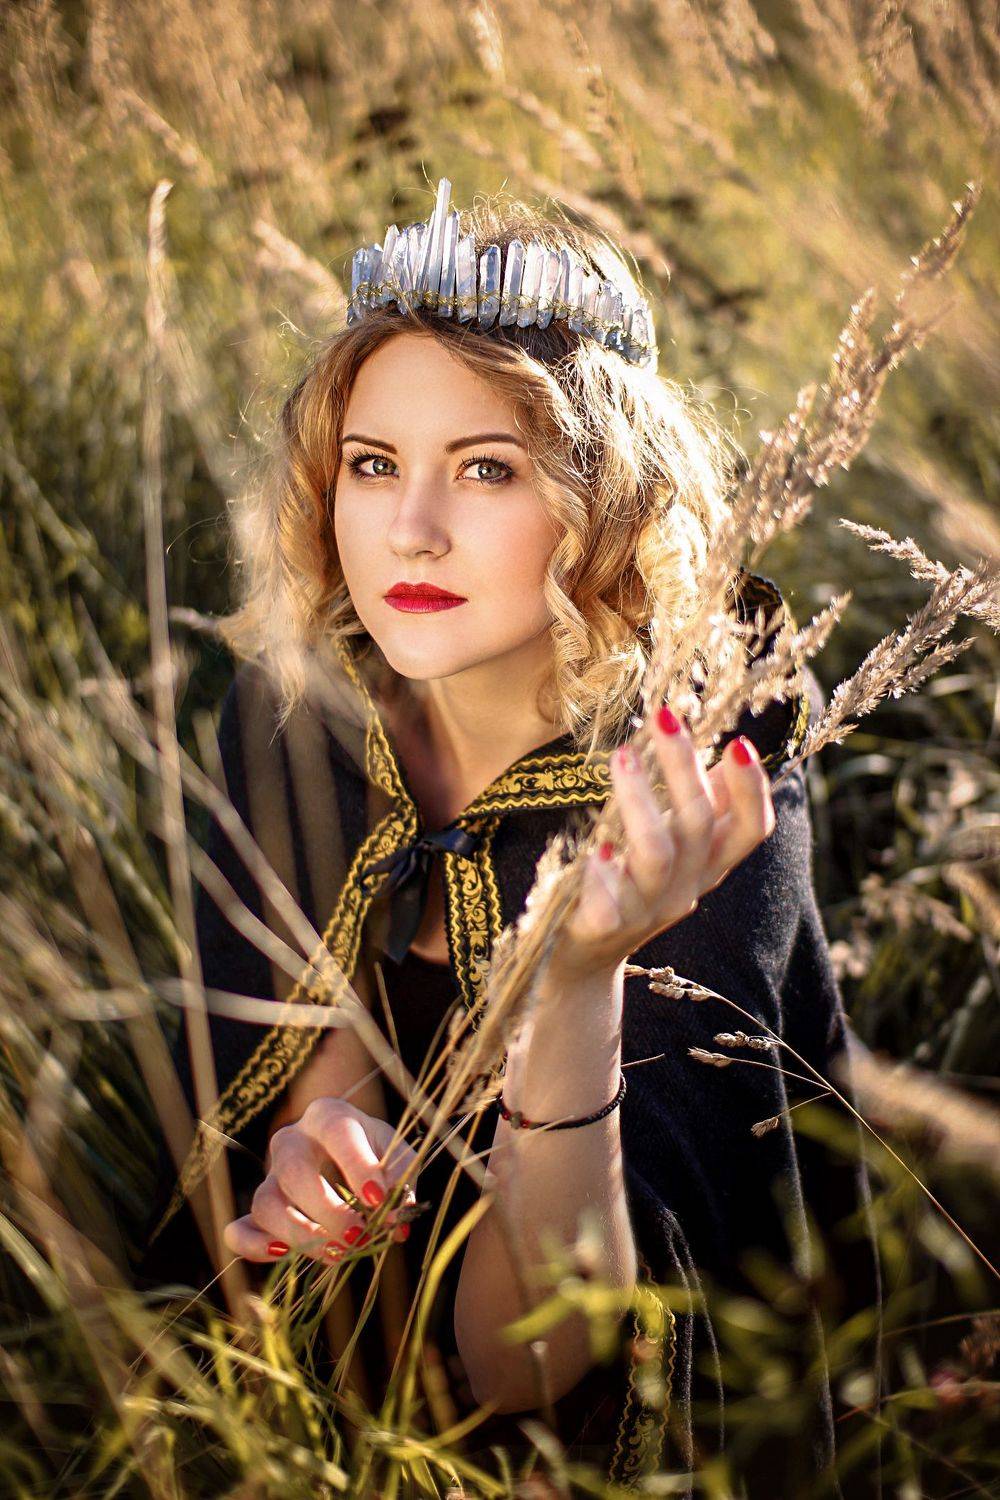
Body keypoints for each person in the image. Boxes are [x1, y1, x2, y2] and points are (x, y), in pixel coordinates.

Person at [138, 178, 880, 1495]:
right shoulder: (301, 709)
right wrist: (322, 1147)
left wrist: (581, 978)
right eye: (374, 464)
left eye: (488, 468)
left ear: (607, 498)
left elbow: (534, 1364)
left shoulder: (705, 745)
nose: (410, 531)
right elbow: (294, 1082)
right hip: (326, 1399)